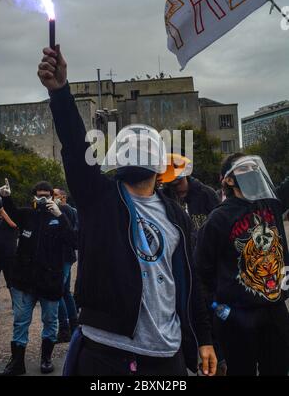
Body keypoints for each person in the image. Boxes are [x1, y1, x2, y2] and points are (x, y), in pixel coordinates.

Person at [37, 46, 217, 377]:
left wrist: (203, 339)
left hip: (168, 354)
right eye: (131, 147)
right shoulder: (98, 198)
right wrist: (60, 92)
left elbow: (187, 280)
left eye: (147, 147)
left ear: (160, 163)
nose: (138, 151)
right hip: (108, 352)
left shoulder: (174, 214)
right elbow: (76, 147)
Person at [195, 152, 289, 376]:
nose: (250, 172)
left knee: (278, 369)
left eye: (252, 168)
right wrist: (217, 310)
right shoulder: (218, 219)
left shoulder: (271, 204)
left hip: (275, 309)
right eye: (243, 169)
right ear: (228, 179)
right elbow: (201, 272)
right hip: (238, 316)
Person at [0, 180, 76, 376]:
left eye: (46, 196)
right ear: (34, 196)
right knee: (20, 321)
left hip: (50, 280)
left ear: (53, 197)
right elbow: (12, 213)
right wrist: (6, 197)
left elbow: (74, 241)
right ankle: (17, 363)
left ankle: (46, 359)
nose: (42, 199)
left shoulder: (60, 216)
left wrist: (61, 216)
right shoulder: (28, 215)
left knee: (50, 321)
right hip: (25, 280)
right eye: (39, 195)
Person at [159, 154, 226, 376]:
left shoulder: (206, 194)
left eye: (177, 180)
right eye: (170, 181)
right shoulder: (163, 198)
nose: (174, 185)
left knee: (212, 321)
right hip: (180, 268)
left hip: (208, 270)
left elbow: (222, 228)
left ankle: (218, 363)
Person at [159, 154, 220, 248]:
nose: (173, 172)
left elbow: (219, 225)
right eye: (168, 169)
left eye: (175, 167)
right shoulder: (163, 198)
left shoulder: (207, 194)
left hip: (206, 251)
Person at [53, 188, 79, 342]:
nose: (52, 197)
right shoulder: (72, 210)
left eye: (55, 195)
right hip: (68, 256)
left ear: (63, 197)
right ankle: (74, 326)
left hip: (62, 256)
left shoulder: (63, 209)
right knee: (65, 292)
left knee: (57, 292)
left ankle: (64, 329)